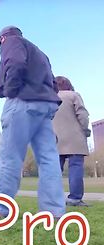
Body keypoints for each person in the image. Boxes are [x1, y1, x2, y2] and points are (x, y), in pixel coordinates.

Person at [0, 26, 65, 218]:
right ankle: (53, 211)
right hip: (45, 105)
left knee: (10, 156)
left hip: (23, 102)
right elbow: (53, 83)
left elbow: (14, 63)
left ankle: (1, 209)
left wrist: (11, 91)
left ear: (1, 39)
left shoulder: (12, 42)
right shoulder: (40, 53)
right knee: (49, 159)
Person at [52, 76, 91, 207]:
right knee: (75, 168)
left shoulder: (49, 97)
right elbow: (83, 115)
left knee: (54, 170)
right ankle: (74, 198)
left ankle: (53, 197)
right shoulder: (73, 95)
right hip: (75, 138)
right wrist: (85, 130)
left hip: (54, 139)